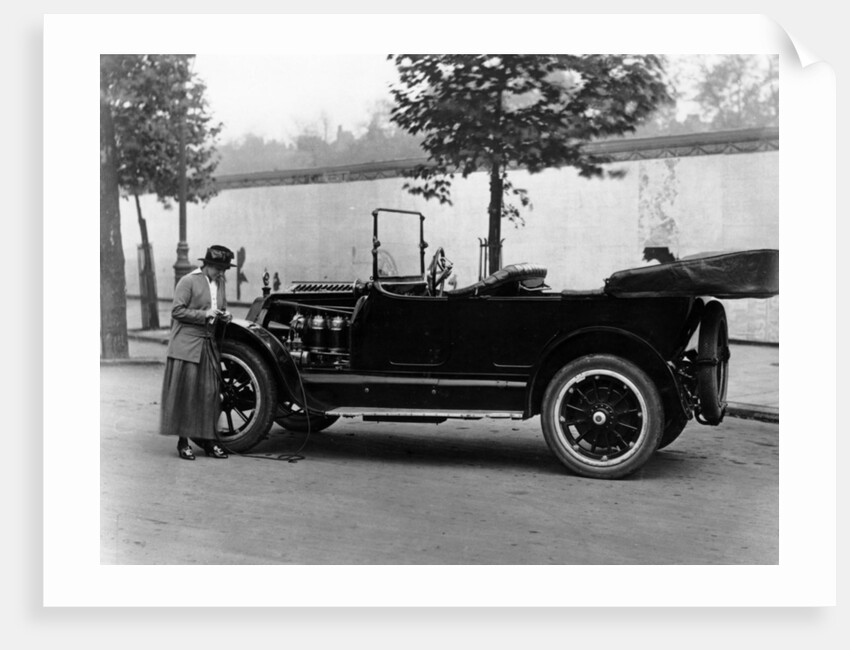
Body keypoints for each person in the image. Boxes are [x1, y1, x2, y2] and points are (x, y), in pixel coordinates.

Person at [159, 245, 235, 460]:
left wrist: (224, 315)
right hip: (186, 345)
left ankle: (209, 441)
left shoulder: (220, 282)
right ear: (207, 265)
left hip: (208, 344)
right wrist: (205, 315)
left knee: (210, 394)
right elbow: (177, 311)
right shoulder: (188, 281)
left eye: (224, 269)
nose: (222, 273)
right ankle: (183, 442)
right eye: (219, 268)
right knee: (188, 394)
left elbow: (219, 307)